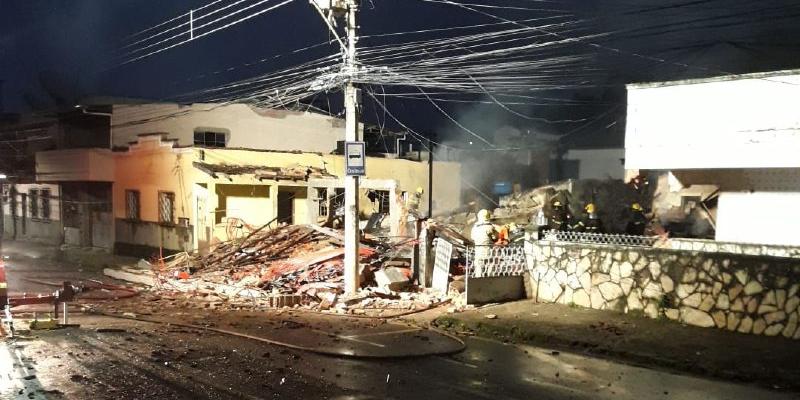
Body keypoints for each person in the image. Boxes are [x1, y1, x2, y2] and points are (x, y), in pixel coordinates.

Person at [471, 209, 498, 277]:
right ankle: (490, 282)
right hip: (489, 252)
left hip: (478, 253)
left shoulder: (474, 228)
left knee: (479, 270)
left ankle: (478, 284)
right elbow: (495, 238)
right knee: (491, 268)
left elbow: (473, 238)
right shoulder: (490, 227)